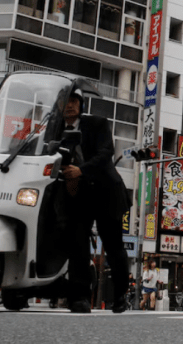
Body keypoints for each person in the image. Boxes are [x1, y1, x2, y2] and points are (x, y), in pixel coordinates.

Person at [61, 87, 130, 314]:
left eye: (74, 101)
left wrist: (81, 170)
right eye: (66, 101)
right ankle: (79, 298)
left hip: (106, 191)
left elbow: (105, 153)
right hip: (78, 194)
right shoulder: (54, 130)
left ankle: (121, 295)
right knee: (77, 244)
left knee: (113, 245)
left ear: (81, 105)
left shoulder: (97, 123)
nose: (70, 105)